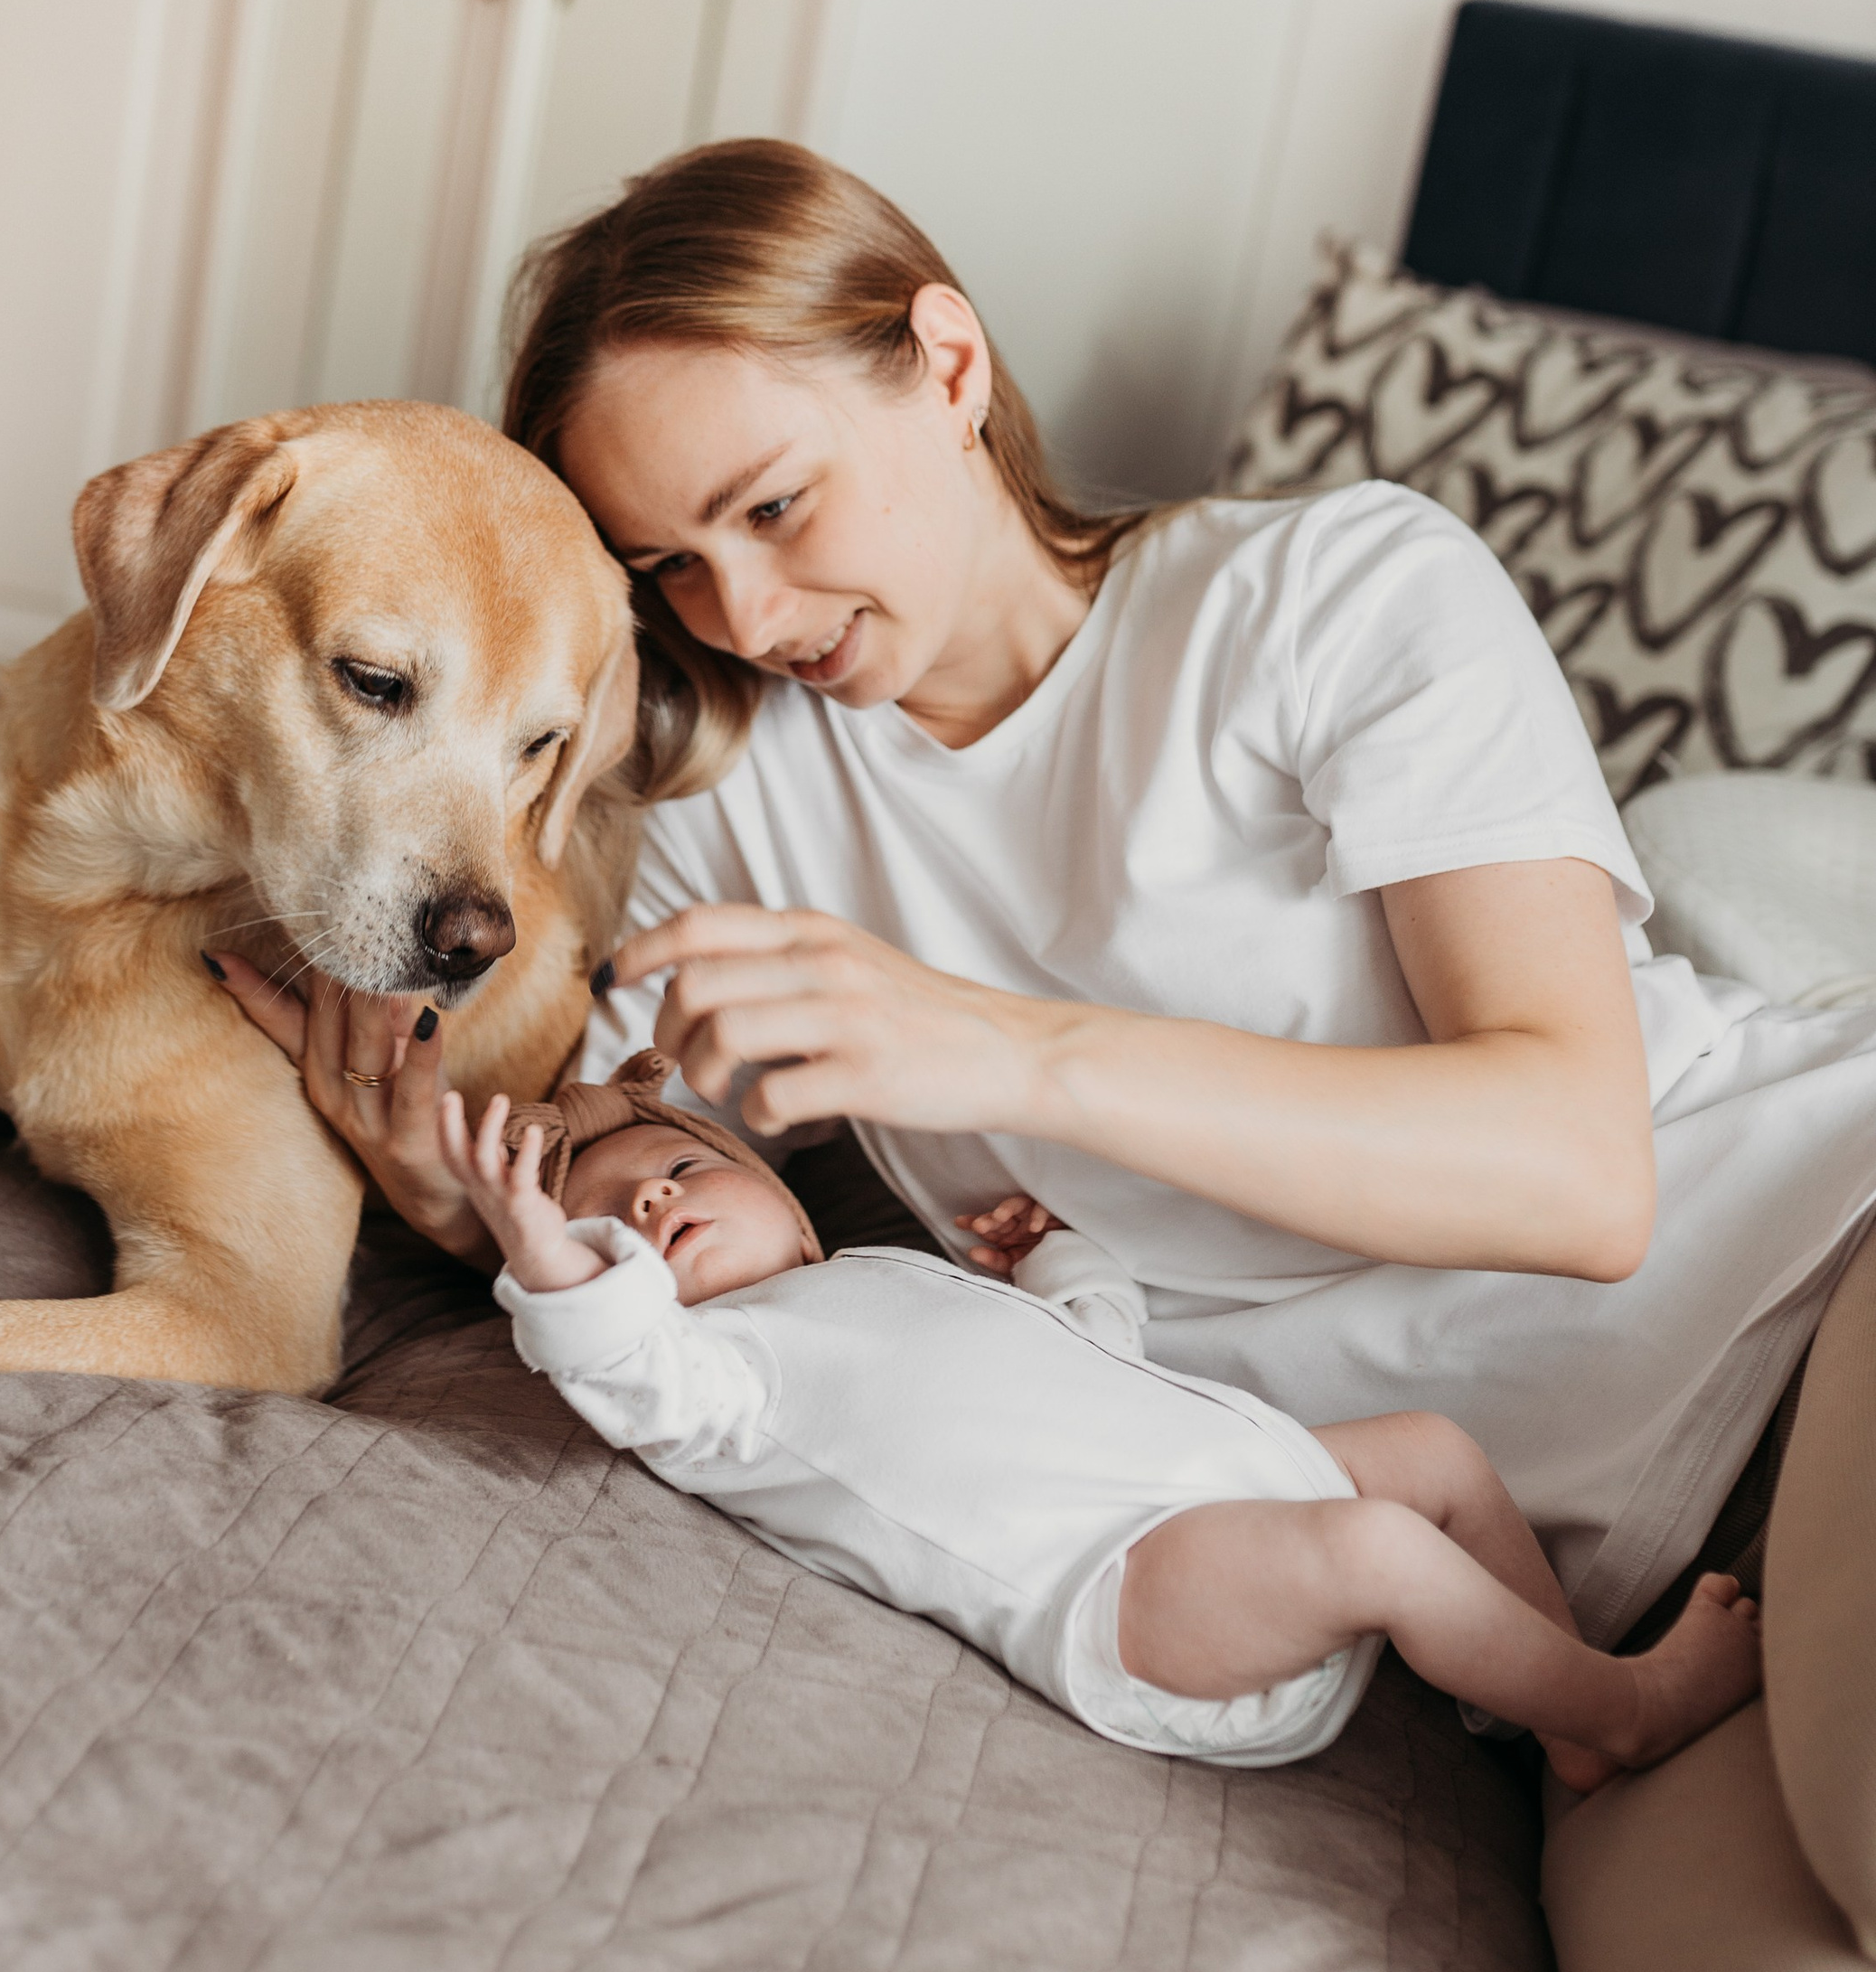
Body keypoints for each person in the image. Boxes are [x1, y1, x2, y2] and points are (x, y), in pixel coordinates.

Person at [217, 138, 1876, 1658]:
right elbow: (660, 1215)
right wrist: (454, 1201)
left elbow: (1584, 1177)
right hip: (1536, 1576)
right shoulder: (737, 797)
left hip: (1796, 1267)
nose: (748, 614)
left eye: (774, 507)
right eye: (670, 566)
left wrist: (1002, 1052)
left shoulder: (1336, 596)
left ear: (949, 366)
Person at [446, 1053, 1762, 1790]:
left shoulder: (873, 1277)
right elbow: (624, 1369)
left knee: (1437, 1454)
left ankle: (1555, 1710)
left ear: (791, 1214)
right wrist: (543, 1251)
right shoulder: (724, 1381)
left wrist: (1060, 1260)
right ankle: (1629, 1707)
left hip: (1221, 1476)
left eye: (680, 1171)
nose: (653, 1207)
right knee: (1379, 1550)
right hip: (1127, 1590)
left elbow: (1093, 1349)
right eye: (614, 1227)